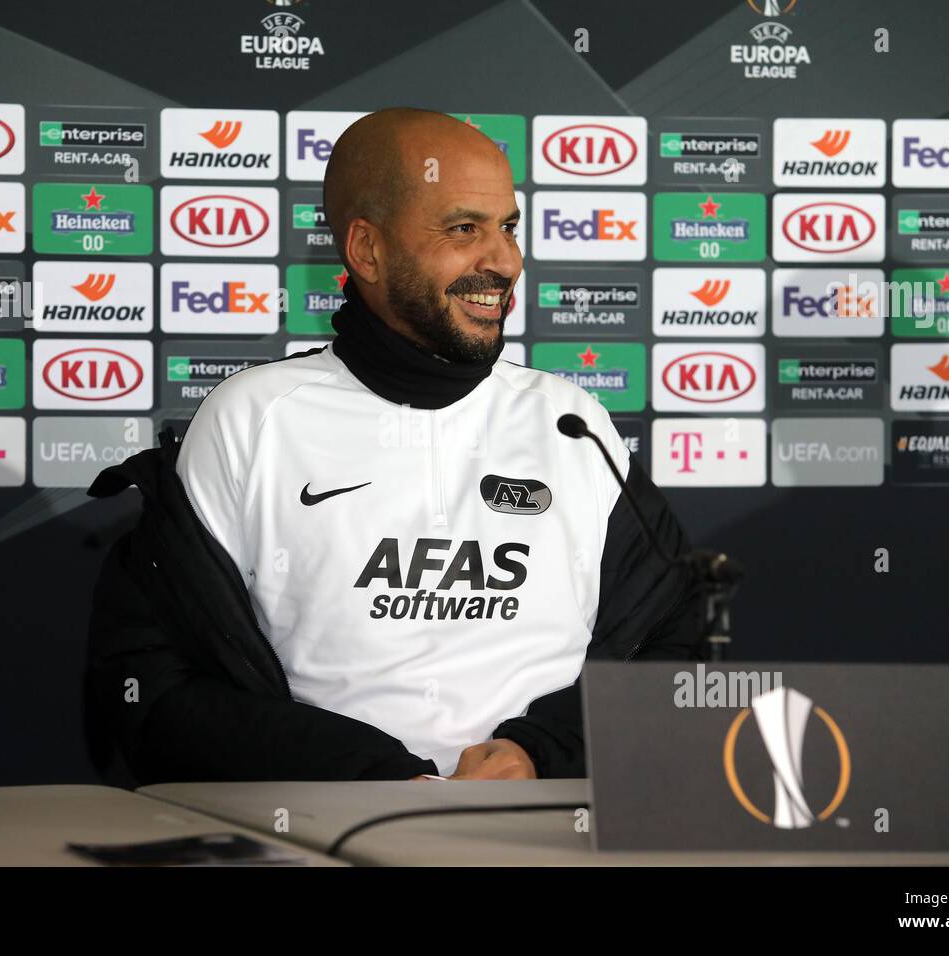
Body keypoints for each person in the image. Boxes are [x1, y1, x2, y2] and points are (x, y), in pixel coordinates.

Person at [85, 107, 704, 784]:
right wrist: (369, 778)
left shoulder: (572, 420)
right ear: (367, 251)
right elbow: (150, 689)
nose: (502, 262)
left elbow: (678, 647)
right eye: (464, 228)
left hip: (545, 835)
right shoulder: (251, 419)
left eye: (508, 229)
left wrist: (541, 751)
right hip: (319, 841)